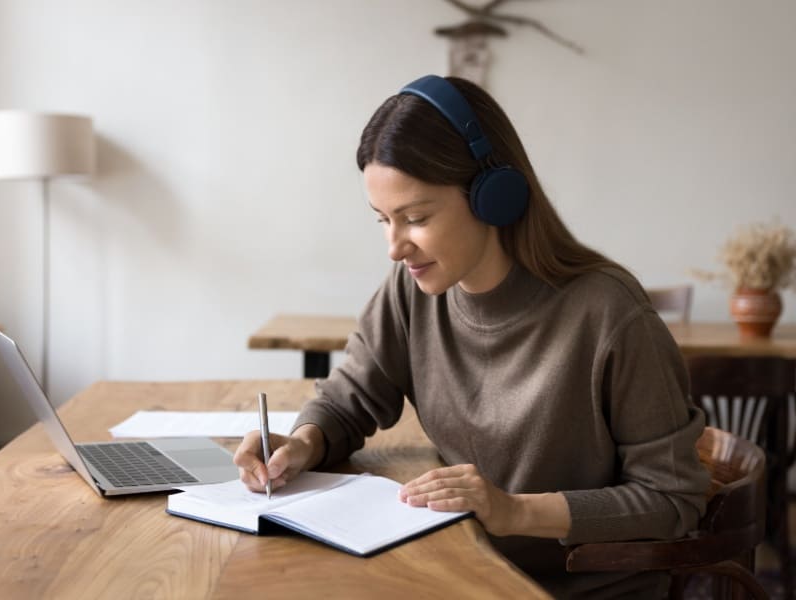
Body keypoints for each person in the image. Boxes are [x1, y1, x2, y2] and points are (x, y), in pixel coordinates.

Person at [234, 74, 710, 598]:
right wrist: (301, 444)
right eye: (383, 220)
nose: (395, 247)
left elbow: (672, 500)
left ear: (494, 197)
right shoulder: (411, 290)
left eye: (415, 218)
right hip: (460, 571)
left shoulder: (610, 315)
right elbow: (350, 400)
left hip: (568, 589)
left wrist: (512, 509)